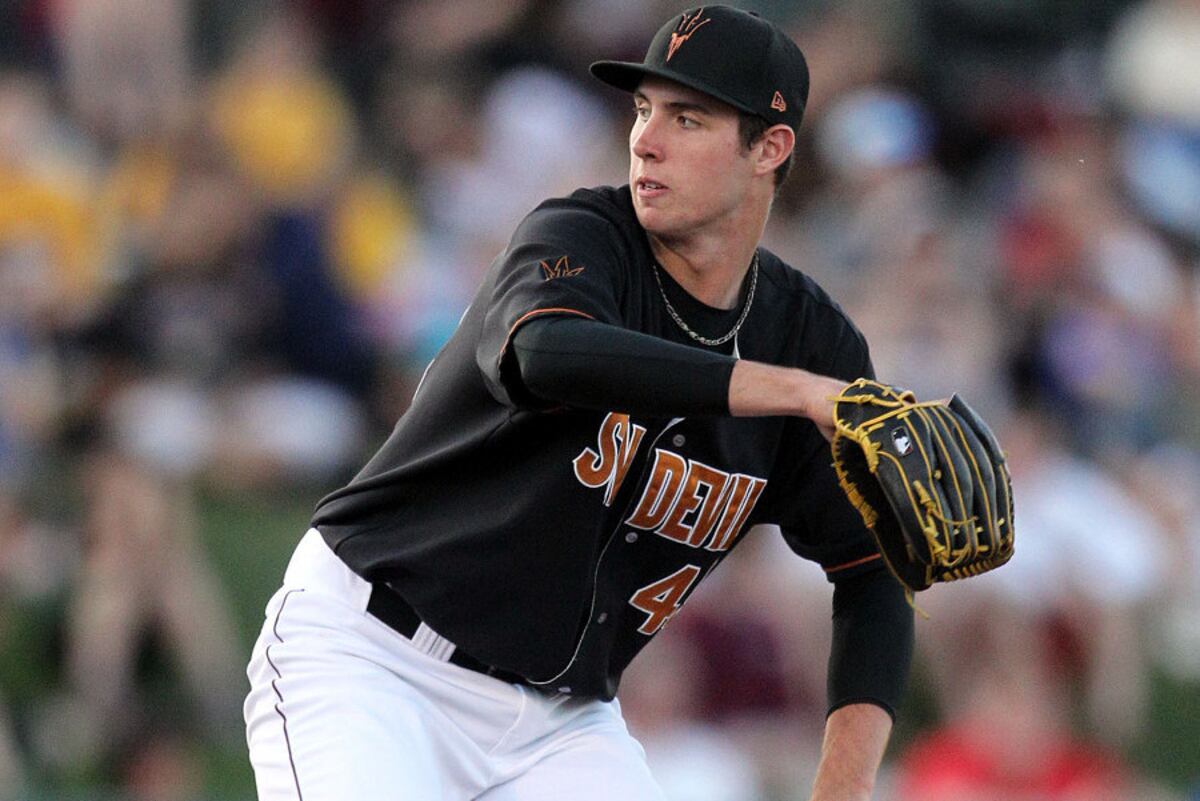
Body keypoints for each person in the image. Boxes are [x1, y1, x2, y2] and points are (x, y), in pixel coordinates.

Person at [244, 7, 914, 800]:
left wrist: (842, 789)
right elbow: (546, 353)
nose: (646, 138)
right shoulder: (580, 239)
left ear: (769, 148)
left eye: (688, 118)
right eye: (643, 109)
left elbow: (871, 576)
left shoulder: (811, 341)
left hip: (560, 724)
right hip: (376, 661)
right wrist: (790, 392)